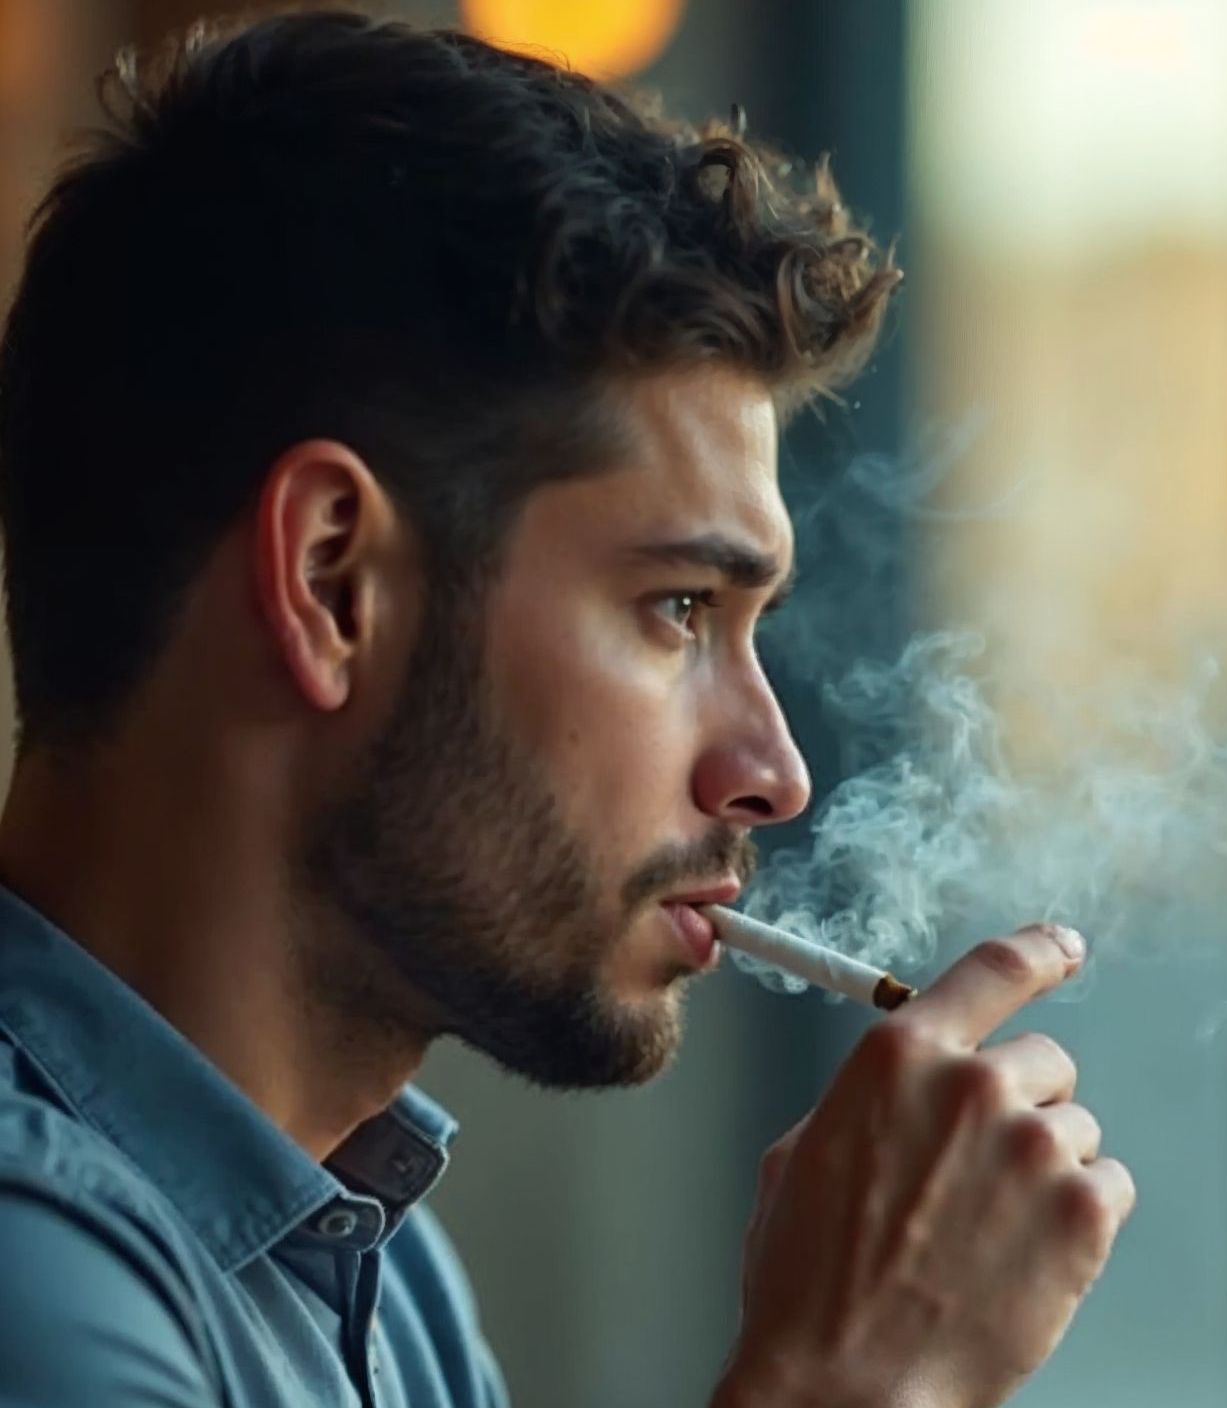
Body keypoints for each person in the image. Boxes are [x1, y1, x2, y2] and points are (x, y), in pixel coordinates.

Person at [0, 11, 1135, 1407]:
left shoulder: (377, 1272)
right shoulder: (34, 1289)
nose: (772, 773)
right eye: (678, 610)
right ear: (330, 580)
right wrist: (845, 1381)